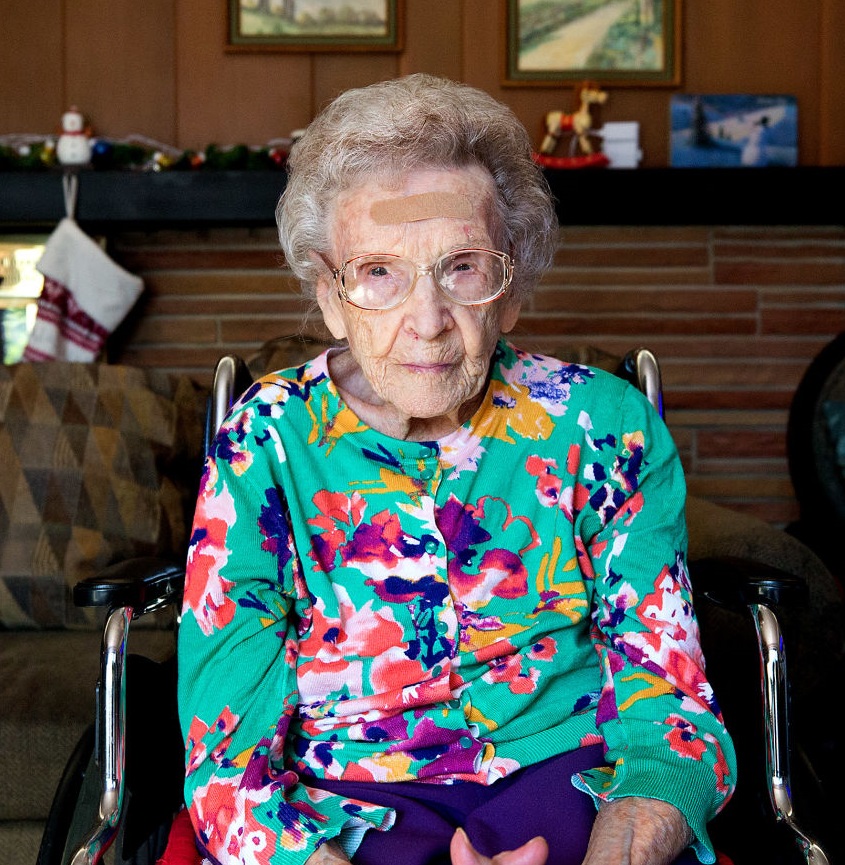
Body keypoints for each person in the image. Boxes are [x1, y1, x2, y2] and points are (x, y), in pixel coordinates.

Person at [177, 74, 736, 865]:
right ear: (329, 297)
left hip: (570, 786)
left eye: (461, 267)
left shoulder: (602, 428)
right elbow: (225, 766)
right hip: (342, 811)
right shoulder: (261, 443)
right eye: (378, 272)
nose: (427, 322)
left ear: (511, 287)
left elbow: (671, 714)